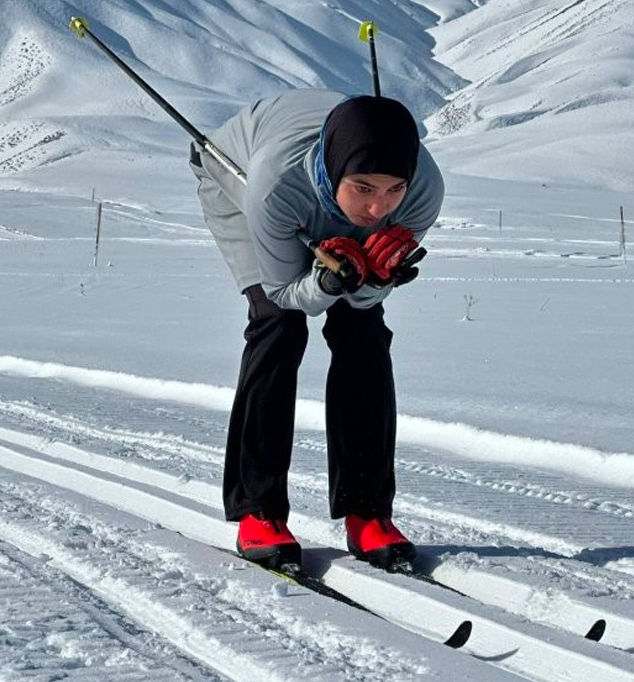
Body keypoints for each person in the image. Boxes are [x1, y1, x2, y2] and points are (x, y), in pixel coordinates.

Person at [189, 89, 444, 570]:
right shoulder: (273, 186)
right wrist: (327, 280)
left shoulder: (423, 192)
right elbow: (287, 293)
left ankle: (366, 510)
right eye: (364, 188)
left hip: (314, 186)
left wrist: (374, 278)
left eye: (394, 190)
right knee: (277, 327)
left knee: (363, 330)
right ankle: (258, 508)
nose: (378, 209)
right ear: (337, 170)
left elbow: (366, 298)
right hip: (237, 183)